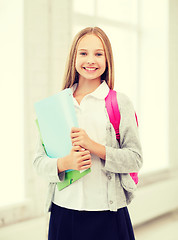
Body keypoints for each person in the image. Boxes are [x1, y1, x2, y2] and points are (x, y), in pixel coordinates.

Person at [34, 27, 143, 240]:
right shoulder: (57, 104)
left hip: (107, 214)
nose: (90, 60)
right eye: (83, 53)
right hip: (64, 213)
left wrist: (94, 147)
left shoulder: (119, 102)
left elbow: (135, 159)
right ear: (74, 57)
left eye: (98, 53)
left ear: (107, 59)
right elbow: (39, 161)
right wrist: (65, 163)